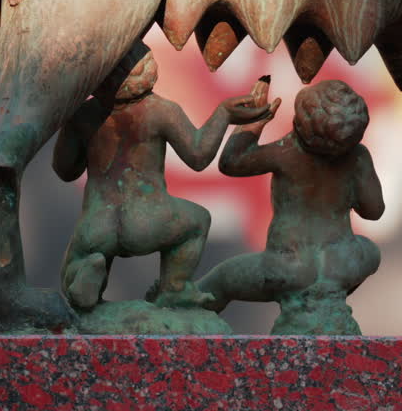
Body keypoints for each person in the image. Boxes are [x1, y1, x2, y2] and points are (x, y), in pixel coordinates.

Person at [53, 50, 278, 310]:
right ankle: (174, 288)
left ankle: (85, 274)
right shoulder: (160, 111)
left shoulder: (84, 115)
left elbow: (65, 170)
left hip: (98, 223)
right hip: (149, 220)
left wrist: (78, 131)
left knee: (80, 255)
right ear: (147, 71)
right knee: (198, 220)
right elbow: (198, 156)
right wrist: (223, 115)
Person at [198, 79, 383, 327]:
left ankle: (187, 319)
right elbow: (373, 210)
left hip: (286, 266)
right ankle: (324, 296)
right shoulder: (358, 156)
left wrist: (256, 119)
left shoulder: (287, 152)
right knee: (371, 251)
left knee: (219, 281)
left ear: (301, 124)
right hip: (342, 263)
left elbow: (232, 162)